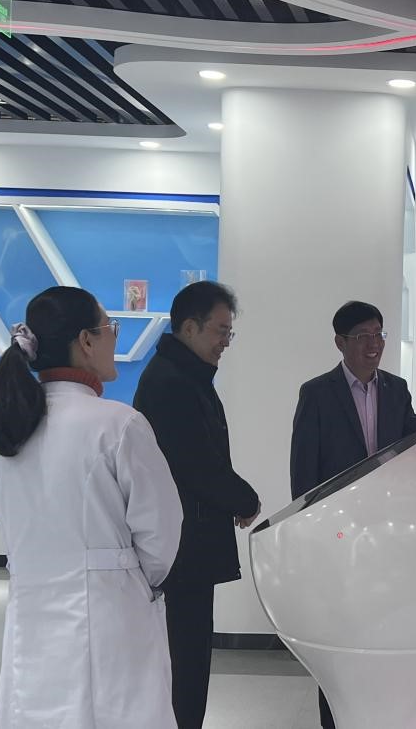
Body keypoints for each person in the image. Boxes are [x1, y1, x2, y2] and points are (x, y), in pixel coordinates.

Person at [0, 286, 182, 729]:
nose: (114, 336)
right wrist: (127, 577)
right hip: (112, 607)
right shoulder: (118, 425)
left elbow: (8, 527)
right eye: (111, 327)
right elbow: (161, 530)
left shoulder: (3, 434)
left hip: (32, 607)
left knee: (37, 711)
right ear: (87, 341)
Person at [290, 300, 416, 728]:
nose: (374, 344)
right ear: (340, 342)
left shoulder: (396, 390)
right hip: (337, 538)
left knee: (382, 633)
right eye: (363, 336)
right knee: (337, 640)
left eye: (379, 335)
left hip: (384, 538)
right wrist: (312, 535)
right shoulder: (317, 393)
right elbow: (303, 472)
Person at [134, 281, 261, 729]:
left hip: (187, 541)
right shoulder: (172, 383)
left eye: (229, 332)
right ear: (190, 327)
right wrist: (243, 498)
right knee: (184, 659)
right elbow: (195, 463)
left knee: (188, 655)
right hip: (181, 545)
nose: (226, 341)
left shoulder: (183, 375)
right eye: (220, 331)